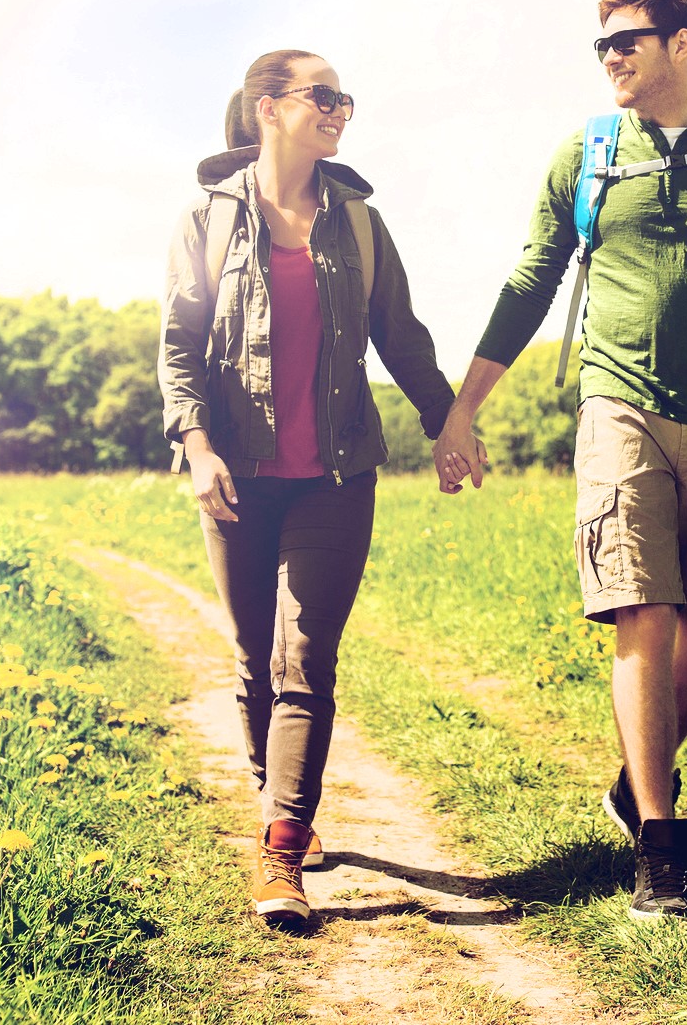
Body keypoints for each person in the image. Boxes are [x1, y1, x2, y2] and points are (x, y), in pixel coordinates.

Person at [432, 0, 687, 921]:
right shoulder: (588, 154)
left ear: (684, 44)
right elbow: (533, 278)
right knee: (640, 606)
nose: (610, 56)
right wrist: (462, 409)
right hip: (617, 408)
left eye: (629, 40)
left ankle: (632, 781)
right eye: (602, 44)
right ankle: (660, 842)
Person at [158, 49, 474, 924]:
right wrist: (196, 442)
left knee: (306, 657)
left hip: (336, 475)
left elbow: (402, 337)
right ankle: (277, 792)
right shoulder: (207, 220)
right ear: (268, 107)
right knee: (254, 654)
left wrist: (446, 421)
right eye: (322, 95)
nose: (340, 109)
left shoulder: (360, 224)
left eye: (346, 99)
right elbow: (179, 345)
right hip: (238, 475)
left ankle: (281, 850)